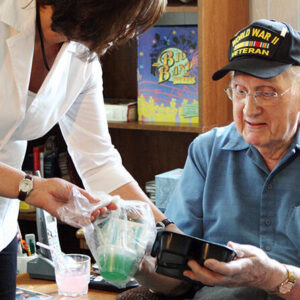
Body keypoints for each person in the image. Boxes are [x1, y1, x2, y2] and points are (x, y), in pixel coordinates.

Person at [117, 19, 300, 300]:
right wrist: (135, 263)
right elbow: (177, 278)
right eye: (240, 91)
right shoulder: (207, 152)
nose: (250, 108)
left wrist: (272, 276)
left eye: (267, 92)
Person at [0, 0, 168, 299]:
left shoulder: (81, 57)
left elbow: (99, 161)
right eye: (125, 20)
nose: (126, 33)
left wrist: (166, 232)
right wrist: (30, 188)